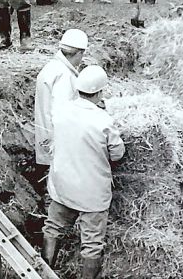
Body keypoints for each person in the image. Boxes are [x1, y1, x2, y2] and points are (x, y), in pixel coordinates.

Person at [43, 65, 124, 279]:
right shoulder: (103, 120)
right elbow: (117, 153)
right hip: (91, 191)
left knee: (53, 228)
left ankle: (44, 271)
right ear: (99, 92)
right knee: (92, 243)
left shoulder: (61, 110)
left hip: (62, 184)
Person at [32, 29, 88, 184]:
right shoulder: (63, 75)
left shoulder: (52, 67)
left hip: (46, 132)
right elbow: (61, 111)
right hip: (56, 138)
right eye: (82, 55)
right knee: (56, 181)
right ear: (78, 53)